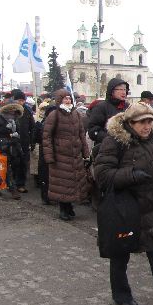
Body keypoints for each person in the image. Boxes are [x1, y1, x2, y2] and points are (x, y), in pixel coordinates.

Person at [93, 102, 153, 305]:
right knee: (120, 255)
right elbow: (101, 174)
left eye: (150, 122)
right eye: (142, 122)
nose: (147, 126)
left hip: (150, 207)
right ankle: (121, 295)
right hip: (124, 208)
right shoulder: (115, 141)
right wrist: (130, 175)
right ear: (130, 123)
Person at [41, 90, 91, 221]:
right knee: (62, 184)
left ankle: (69, 207)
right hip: (60, 156)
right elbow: (46, 137)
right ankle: (63, 208)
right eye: (65, 99)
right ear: (59, 100)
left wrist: (85, 152)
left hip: (75, 156)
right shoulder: (54, 115)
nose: (68, 101)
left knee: (74, 182)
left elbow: (81, 134)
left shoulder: (76, 114)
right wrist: (49, 156)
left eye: (69, 98)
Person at [0, 103, 24, 199]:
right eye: (13, 112)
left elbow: (18, 133)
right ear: (8, 111)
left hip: (12, 146)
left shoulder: (15, 120)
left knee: (9, 167)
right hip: (0, 146)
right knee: (3, 167)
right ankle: (11, 189)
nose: (14, 115)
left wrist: (16, 139)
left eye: (16, 113)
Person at [87, 78, 130, 146]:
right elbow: (93, 130)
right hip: (106, 147)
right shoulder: (101, 107)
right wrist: (109, 139)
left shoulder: (128, 107)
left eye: (125, 89)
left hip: (126, 147)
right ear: (112, 91)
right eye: (120, 89)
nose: (124, 92)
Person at [11, 90, 35, 193]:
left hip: (24, 141)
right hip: (11, 141)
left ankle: (21, 184)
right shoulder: (9, 110)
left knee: (23, 163)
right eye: (19, 100)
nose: (21, 102)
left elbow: (32, 127)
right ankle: (11, 183)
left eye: (22, 100)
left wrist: (32, 141)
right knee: (13, 163)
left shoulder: (27, 111)